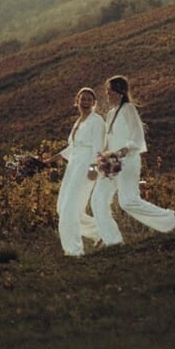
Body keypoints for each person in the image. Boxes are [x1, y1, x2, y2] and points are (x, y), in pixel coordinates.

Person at [89, 75, 175, 244]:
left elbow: (137, 136)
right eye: (107, 91)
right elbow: (108, 141)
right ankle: (113, 241)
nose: (107, 94)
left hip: (127, 161)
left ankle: (169, 219)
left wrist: (122, 152)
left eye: (110, 91)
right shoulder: (110, 113)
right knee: (98, 199)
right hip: (110, 164)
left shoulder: (129, 109)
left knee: (128, 201)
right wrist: (101, 159)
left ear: (120, 93)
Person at [57, 87, 106, 256]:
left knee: (68, 209)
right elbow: (73, 148)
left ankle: (73, 251)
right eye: (82, 99)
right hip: (73, 168)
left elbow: (98, 148)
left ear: (94, 103)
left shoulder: (97, 121)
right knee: (62, 208)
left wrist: (93, 170)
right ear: (77, 101)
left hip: (87, 167)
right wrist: (49, 160)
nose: (85, 102)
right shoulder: (79, 122)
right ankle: (101, 232)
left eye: (89, 100)